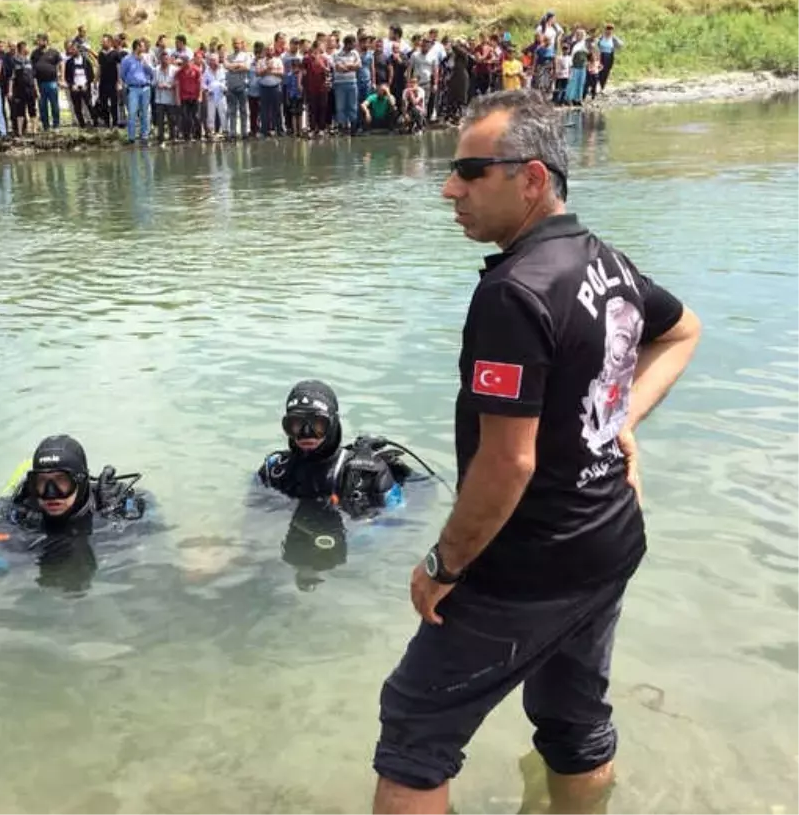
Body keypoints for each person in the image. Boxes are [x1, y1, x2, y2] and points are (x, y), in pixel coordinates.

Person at [372, 90, 702, 815]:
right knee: (573, 721)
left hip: (526, 568)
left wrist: (443, 563)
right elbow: (681, 332)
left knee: (414, 737)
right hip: (610, 539)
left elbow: (508, 463)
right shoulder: (604, 261)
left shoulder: (514, 293)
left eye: (469, 170)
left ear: (531, 179)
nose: (449, 188)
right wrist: (616, 423)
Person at [0, 435, 157, 591]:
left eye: (61, 482)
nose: (51, 494)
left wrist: (121, 519)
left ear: (81, 481)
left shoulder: (112, 505)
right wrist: (29, 558)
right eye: (42, 483)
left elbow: (151, 526)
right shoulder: (19, 512)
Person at [256, 380, 425, 517]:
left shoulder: (369, 475)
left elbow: (398, 522)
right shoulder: (274, 471)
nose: (307, 434)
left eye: (317, 424)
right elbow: (251, 514)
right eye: (297, 424)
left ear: (333, 425)